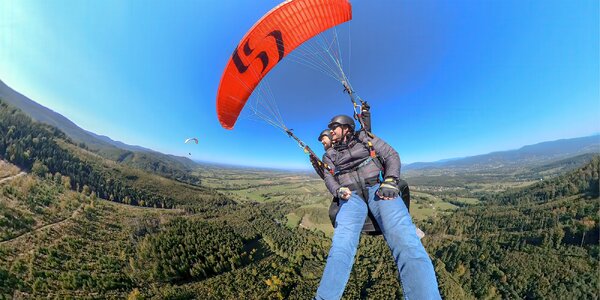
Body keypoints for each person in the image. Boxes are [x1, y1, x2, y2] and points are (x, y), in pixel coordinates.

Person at [314, 115, 440, 300]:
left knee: (405, 239)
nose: (331, 131)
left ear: (347, 128)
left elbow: (391, 155)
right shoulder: (328, 156)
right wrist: (338, 190)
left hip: (377, 189)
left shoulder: (365, 138)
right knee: (341, 245)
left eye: (334, 127)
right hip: (351, 196)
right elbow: (328, 178)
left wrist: (390, 180)